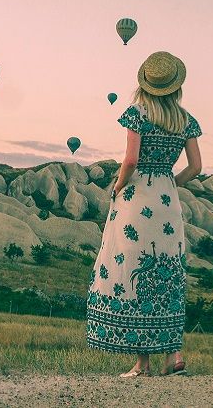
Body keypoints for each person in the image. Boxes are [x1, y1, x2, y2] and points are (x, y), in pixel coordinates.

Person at [85, 50, 203, 378]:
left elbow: (131, 160)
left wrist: (117, 187)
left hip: (137, 200)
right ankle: (174, 356)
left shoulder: (137, 113)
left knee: (135, 269)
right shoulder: (186, 119)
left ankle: (142, 364)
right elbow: (196, 167)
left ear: (145, 84)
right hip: (167, 201)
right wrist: (170, 183)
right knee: (168, 272)